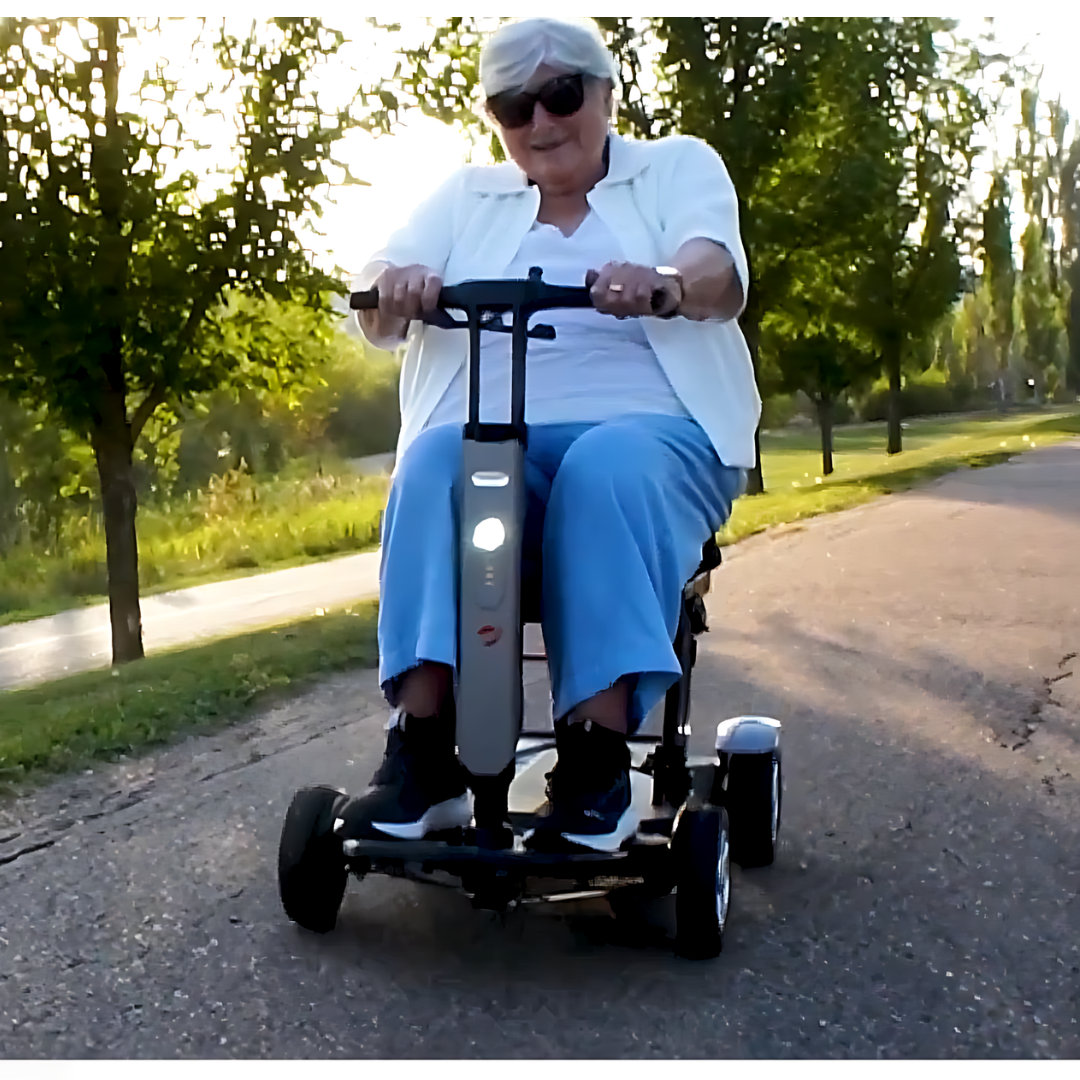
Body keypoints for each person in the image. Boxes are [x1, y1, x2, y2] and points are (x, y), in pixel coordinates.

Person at [341, 16, 760, 852]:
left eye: (561, 95)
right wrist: (399, 286)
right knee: (432, 461)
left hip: (659, 434)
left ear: (604, 92)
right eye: (514, 107)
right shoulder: (468, 197)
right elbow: (375, 287)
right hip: (501, 440)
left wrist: (667, 285)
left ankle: (597, 765)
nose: (540, 123)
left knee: (605, 466)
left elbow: (718, 274)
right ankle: (423, 754)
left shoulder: (675, 168)